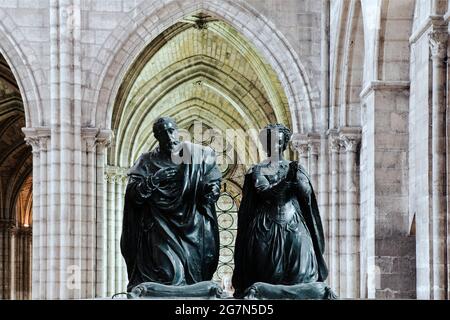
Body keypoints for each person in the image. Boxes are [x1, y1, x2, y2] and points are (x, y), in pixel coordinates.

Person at [120, 117, 221, 291]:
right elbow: (133, 195)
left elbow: (211, 180)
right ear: (156, 137)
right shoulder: (147, 161)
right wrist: (153, 180)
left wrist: (213, 190)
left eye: (171, 130)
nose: (168, 136)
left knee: (195, 275)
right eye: (162, 133)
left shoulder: (197, 154)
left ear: (177, 131)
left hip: (193, 227)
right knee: (169, 274)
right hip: (160, 228)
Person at [232, 123, 328, 297]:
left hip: (294, 225)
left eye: (277, 141)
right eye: (269, 141)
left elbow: (306, 197)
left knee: (303, 274)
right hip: (265, 227)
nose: (273, 145)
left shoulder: (296, 168)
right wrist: (287, 180)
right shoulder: (257, 169)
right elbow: (267, 193)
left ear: (284, 143)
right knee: (265, 275)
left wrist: (300, 182)